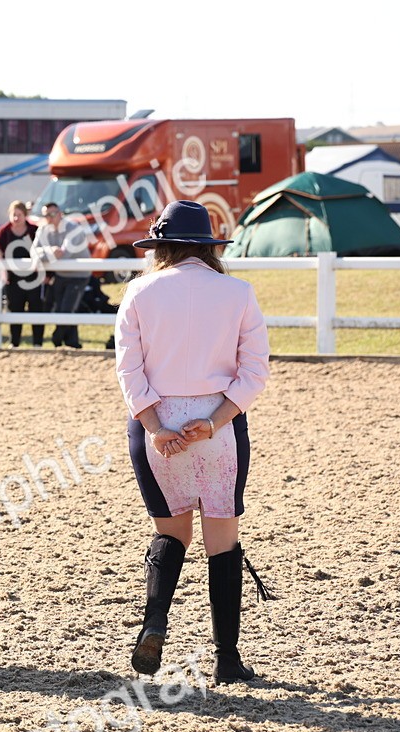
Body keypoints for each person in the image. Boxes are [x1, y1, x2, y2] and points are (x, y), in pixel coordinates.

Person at [114, 200, 271, 684]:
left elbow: (128, 370)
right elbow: (255, 371)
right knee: (222, 541)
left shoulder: (138, 292)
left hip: (157, 425)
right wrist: (215, 421)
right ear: (207, 246)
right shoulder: (238, 293)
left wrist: (155, 425)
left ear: (160, 246)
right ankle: (227, 658)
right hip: (218, 427)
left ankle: (154, 623)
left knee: (171, 534)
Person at [30, 202, 90, 348]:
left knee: (67, 309)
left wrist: (43, 254)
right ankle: (72, 343)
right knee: (62, 309)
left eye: (52, 214)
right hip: (61, 274)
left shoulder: (73, 229)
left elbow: (64, 254)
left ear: (60, 214)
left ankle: (57, 339)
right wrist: (50, 251)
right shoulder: (43, 229)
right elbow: (33, 251)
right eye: (46, 215)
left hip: (79, 275)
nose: (49, 218)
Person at [0, 200, 43, 347]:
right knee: (14, 308)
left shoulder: (34, 230)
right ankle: (15, 342)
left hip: (34, 278)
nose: (16, 218)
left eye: (19, 215)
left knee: (36, 308)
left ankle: (38, 343)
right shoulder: (4, 230)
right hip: (12, 279)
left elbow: (43, 246)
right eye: (13, 215)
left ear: (25, 215)